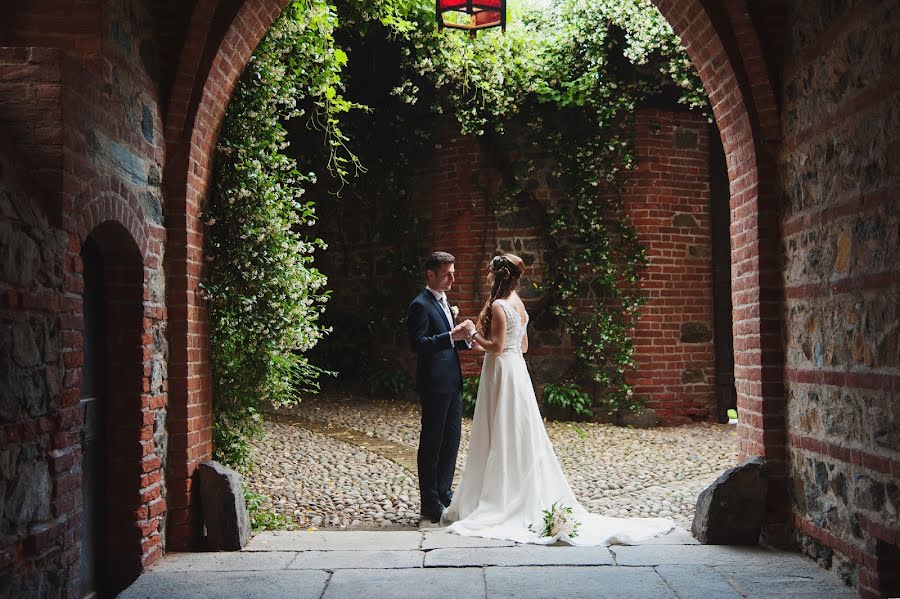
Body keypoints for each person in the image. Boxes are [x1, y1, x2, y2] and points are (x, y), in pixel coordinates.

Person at [441, 254, 674, 546]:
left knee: (500, 429)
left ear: (498, 276)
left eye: (490, 273)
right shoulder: (518, 305)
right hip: (516, 372)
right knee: (516, 430)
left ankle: (500, 496)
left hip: (501, 370)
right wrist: (487, 342)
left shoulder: (500, 306)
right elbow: (521, 346)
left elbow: (497, 348)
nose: (486, 276)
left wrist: (472, 332)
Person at [407, 251, 477, 522]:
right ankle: (430, 502)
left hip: (452, 381)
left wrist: (466, 339)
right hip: (434, 384)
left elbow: (448, 343)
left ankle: (445, 492)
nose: (452, 278)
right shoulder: (420, 305)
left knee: (451, 440)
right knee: (432, 443)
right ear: (431, 274)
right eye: (447, 273)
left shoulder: (445, 303)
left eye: (453, 272)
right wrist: (451, 335)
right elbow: (419, 344)